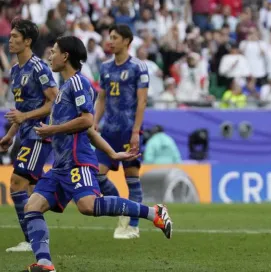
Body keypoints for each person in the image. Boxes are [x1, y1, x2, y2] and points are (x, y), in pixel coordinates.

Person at [22, 36, 172, 272]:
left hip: (77, 161)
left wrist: (51, 129)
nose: (50, 56)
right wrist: (112, 152)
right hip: (60, 166)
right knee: (32, 207)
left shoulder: (79, 83)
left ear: (66, 56)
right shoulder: (64, 88)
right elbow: (91, 130)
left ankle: (155, 213)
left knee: (88, 206)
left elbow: (87, 120)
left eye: (54, 52)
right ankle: (44, 263)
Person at [2, 19, 57, 253]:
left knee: (16, 183)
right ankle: (37, 238)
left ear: (28, 41)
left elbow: (53, 101)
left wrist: (25, 118)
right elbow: (20, 109)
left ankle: (30, 240)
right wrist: (11, 135)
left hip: (38, 133)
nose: (10, 40)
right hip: (25, 134)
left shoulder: (39, 68)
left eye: (15, 36)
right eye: (10, 35)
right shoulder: (15, 70)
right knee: (32, 190)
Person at [93, 24, 149, 239]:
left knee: (131, 177)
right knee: (96, 174)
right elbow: (102, 97)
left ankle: (133, 226)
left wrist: (136, 131)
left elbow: (142, 101)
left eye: (115, 37)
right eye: (110, 37)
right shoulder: (105, 67)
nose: (110, 41)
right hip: (108, 131)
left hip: (129, 130)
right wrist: (95, 122)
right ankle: (120, 208)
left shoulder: (138, 67)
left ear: (126, 41)